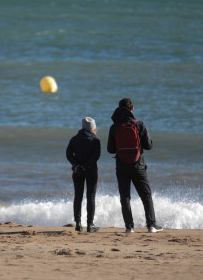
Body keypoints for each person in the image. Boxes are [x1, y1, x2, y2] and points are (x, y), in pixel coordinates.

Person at [107, 98, 164, 233]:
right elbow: (149, 146)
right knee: (146, 195)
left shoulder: (114, 127)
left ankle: (129, 227)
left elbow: (110, 149)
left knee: (125, 197)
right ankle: (151, 225)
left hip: (121, 166)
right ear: (132, 110)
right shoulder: (139, 124)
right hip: (138, 165)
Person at [66, 117, 101, 233]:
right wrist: (85, 166)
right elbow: (96, 156)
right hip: (91, 170)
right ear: (93, 128)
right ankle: (90, 225)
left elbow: (68, 154)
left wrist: (76, 165)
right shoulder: (95, 140)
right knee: (90, 197)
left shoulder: (74, 139)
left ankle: (78, 224)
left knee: (78, 196)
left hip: (77, 171)